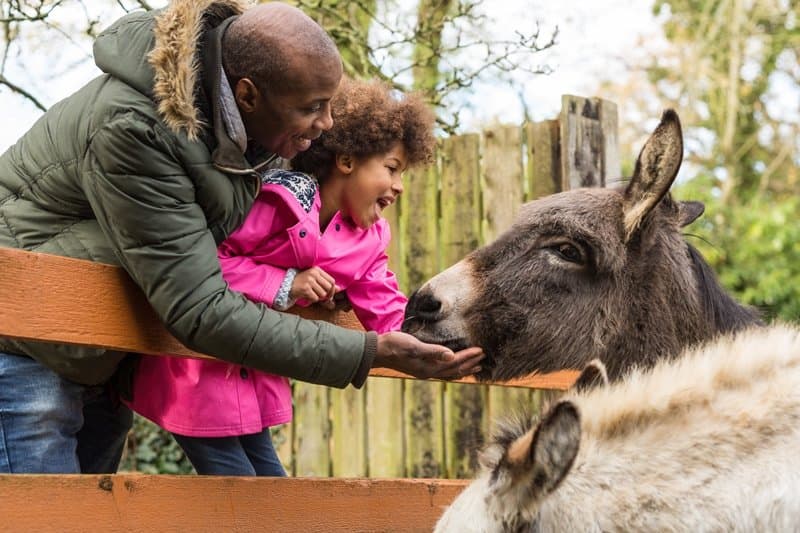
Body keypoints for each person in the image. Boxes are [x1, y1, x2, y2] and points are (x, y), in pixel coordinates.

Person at [0, 1, 483, 474]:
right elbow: (201, 304)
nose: (329, 124)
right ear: (248, 94)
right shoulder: (135, 130)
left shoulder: (251, 133)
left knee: (82, 512)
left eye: (330, 104)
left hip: (100, 347)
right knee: (43, 512)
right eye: (313, 107)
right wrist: (364, 352)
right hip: (28, 337)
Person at [128, 78, 435, 476]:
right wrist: (287, 283)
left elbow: (387, 307)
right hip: (198, 373)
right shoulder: (274, 202)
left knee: (272, 488)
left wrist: (436, 341)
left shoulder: (369, 240)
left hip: (255, 376)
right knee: (246, 492)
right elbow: (205, 263)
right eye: (392, 169)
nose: (399, 186)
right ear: (346, 162)